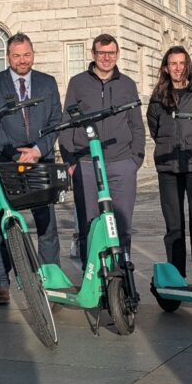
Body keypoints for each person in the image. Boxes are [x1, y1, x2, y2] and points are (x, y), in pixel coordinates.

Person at [0, 33, 63, 305]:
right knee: (2, 225)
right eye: (16, 56)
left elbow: (55, 120)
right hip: (7, 162)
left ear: (33, 54)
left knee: (46, 224)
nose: (22, 60)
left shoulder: (47, 83)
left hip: (41, 161)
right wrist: (18, 154)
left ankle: (49, 279)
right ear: (8, 57)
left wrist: (37, 150)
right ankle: (1, 284)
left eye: (26, 54)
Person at [59, 33, 145, 263]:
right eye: (101, 53)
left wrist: (135, 159)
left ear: (117, 55)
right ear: (93, 54)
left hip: (121, 164)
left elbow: (136, 124)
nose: (106, 58)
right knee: (90, 226)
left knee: (122, 226)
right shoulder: (77, 83)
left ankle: (122, 273)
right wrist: (70, 161)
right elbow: (66, 123)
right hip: (86, 164)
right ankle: (94, 279)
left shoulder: (127, 84)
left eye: (111, 53)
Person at [146, 46, 192, 287]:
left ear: (188, 65)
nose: (177, 68)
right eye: (172, 63)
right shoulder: (158, 98)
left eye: (181, 63)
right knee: (173, 227)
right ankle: (177, 278)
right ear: (166, 68)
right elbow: (155, 129)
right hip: (168, 166)